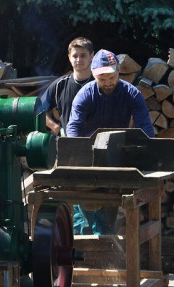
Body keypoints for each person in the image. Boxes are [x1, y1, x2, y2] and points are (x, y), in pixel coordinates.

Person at [65, 49, 155, 235]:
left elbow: (145, 128)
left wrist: (149, 157)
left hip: (118, 155)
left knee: (110, 209)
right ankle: (82, 245)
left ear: (118, 72)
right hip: (87, 157)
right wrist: (77, 154)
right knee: (83, 209)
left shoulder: (132, 94)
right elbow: (73, 129)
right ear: (93, 75)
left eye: (111, 77)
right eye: (101, 79)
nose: (107, 82)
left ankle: (107, 243)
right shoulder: (84, 95)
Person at [36, 37, 94, 136]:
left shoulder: (99, 83)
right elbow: (38, 109)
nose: (78, 59)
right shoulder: (59, 85)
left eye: (83, 55)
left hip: (97, 143)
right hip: (67, 144)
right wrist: (54, 126)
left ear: (91, 56)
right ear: (69, 57)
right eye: (75, 56)